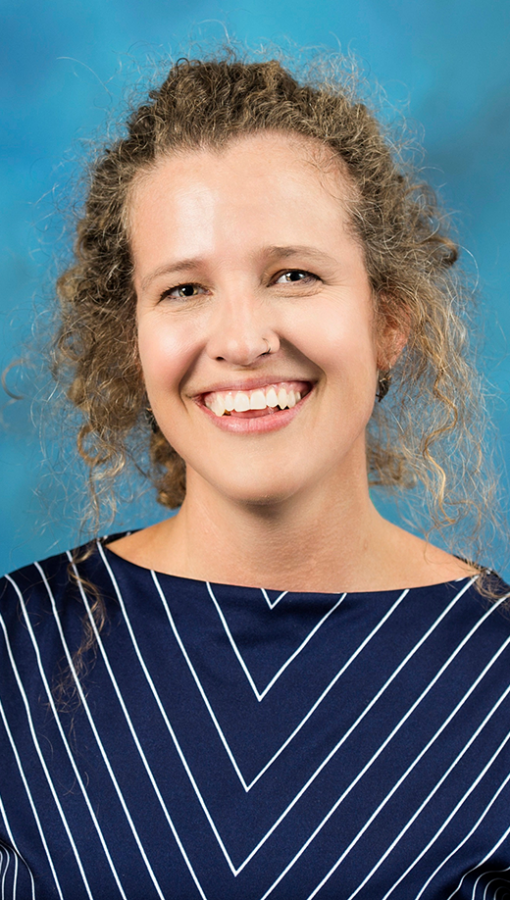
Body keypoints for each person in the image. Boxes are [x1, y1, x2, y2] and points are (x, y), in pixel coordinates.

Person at [1, 53, 509, 900]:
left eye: (294, 275)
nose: (241, 339)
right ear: (132, 342)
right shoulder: (14, 647)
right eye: (184, 288)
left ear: (390, 319)